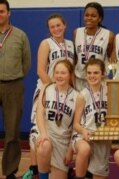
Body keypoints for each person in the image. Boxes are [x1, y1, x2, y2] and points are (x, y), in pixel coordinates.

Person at [22, 13, 75, 179]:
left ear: (65, 25)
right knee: (39, 128)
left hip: (65, 91)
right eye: (52, 27)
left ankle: (58, 164)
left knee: (60, 128)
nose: (56, 29)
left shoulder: (71, 45)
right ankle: (34, 168)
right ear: (49, 29)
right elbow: (40, 70)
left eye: (59, 25)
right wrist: (53, 89)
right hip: (47, 89)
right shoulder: (46, 43)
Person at [0, 0, 31, 178]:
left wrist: (15, 75)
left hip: (13, 85)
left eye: (2, 11)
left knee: (12, 132)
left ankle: (10, 171)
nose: (0, 14)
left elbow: (26, 62)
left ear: (9, 13)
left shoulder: (20, 35)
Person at [36, 60, 78, 179]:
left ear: (70, 75)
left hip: (63, 141)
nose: (59, 76)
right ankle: (42, 176)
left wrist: (70, 149)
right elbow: (39, 114)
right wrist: (43, 134)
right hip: (48, 135)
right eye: (57, 72)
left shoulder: (77, 96)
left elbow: (76, 127)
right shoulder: (46, 88)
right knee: (44, 145)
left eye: (63, 73)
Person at [72, 58, 110, 179]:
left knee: (99, 174)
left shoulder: (110, 92)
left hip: (102, 137)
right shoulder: (82, 95)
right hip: (84, 135)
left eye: (96, 73)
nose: (92, 76)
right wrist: (83, 131)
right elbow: (76, 124)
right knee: (84, 150)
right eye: (89, 73)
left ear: (103, 74)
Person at [74, 1, 114, 91]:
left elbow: (110, 58)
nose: (89, 18)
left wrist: (108, 70)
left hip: (100, 81)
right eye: (87, 15)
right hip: (81, 80)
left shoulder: (109, 35)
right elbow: (76, 57)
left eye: (93, 16)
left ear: (100, 18)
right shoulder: (77, 32)